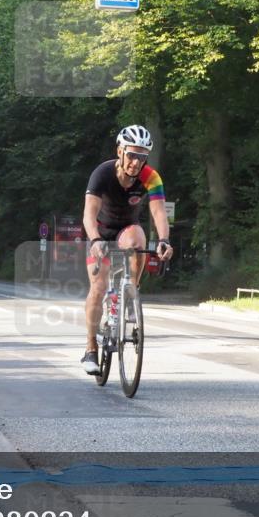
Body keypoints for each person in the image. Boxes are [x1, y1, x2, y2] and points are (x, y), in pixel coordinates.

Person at [80, 125, 173, 374]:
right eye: (131, 155)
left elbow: (158, 212)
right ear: (120, 151)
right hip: (100, 232)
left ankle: (131, 291)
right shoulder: (102, 174)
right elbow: (88, 215)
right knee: (98, 288)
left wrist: (164, 239)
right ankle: (90, 348)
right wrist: (96, 240)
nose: (136, 162)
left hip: (126, 230)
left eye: (142, 157)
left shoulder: (151, 177)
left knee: (138, 237)